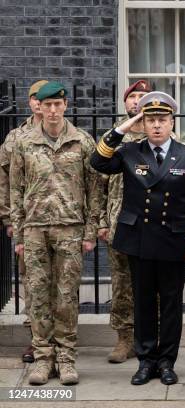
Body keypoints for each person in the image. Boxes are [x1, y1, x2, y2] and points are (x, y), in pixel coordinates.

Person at [90, 91, 185, 386]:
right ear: (143, 124)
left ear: (172, 122)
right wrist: (123, 129)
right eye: (150, 120)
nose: (156, 125)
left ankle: (167, 361)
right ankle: (146, 361)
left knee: (171, 304)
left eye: (162, 120)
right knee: (143, 303)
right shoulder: (131, 152)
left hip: (173, 239)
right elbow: (97, 161)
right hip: (138, 239)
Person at [10, 81, 104, 385]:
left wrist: (91, 230)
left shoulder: (82, 141)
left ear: (65, 106)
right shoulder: (24, 143)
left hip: (70, 229)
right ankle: (42, 359)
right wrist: (19, 235)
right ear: (40, 106)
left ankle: (66, 359)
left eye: (57, 104)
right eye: (47, 104)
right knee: (37, 296)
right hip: (35, 230)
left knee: (66, 297)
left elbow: (94, 189)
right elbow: (15, 191)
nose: (52, 110)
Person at [97, 80, 152, 363]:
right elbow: (98, 184)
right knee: (121, 284)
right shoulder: (114, 138)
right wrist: (100, 222)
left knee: (151, 283)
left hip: (153, 225)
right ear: (126, 103)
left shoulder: (161, 134)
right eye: (133, 96)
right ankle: (124, 339)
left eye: (143, 96)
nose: (137, 101)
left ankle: (149, 337)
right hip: (118, 223)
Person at [0, 79, 48, 364]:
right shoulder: (16, 138)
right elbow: (5, 181)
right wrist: (9, 218)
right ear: (31, 102)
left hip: (61, 223)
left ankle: (61, 340)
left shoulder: (70, 135)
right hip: (28, 225)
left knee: (63, 285)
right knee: (32, 284)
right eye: (35, 98)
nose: (40, 103)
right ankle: (36, 340)